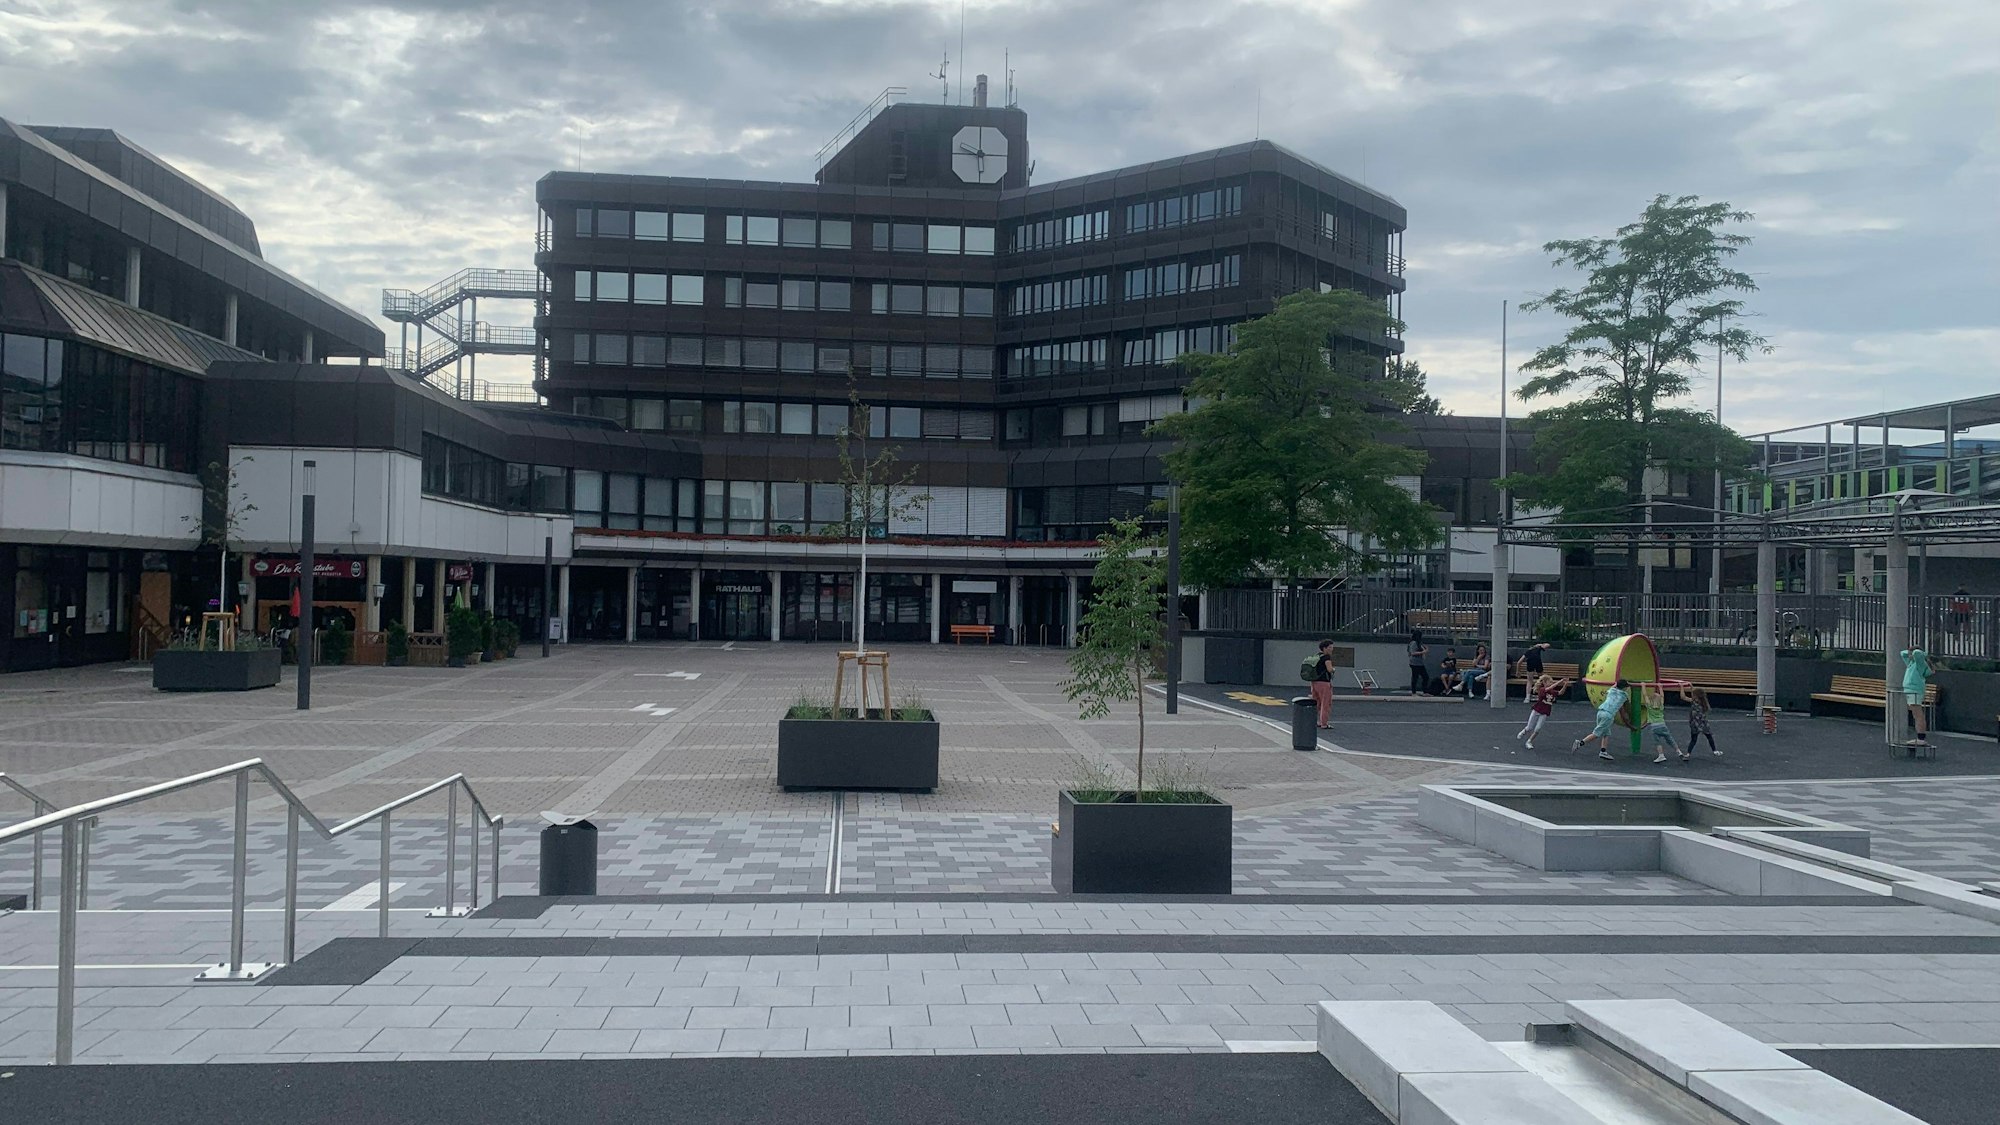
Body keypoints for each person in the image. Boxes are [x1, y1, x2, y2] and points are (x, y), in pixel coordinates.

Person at [1573, 679, 1631, 760]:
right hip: (1608, 715)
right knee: (1597, 733)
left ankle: (1603, 751)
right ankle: (1580, 743)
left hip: (1600, 712)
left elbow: (1614, 686)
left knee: (1606, 733)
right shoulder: (1624, 695)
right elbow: (1626, 707)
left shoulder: (1611, 691)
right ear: (1625, 688)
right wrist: (1627, 716)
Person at [1515, 673, 1570, 749]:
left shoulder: (1552, 692)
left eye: (1552, 682)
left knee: (1538, 728)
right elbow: (1549, 688)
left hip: (1544, 712)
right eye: (1549, 682)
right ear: (1544, 683)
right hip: (1537, 710)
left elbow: (1560, 693)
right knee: (1529, 727)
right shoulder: (1542, 690)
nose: (1551, 684)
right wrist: (1560, 681)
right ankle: (1524, 731)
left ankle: (1529, 741)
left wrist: (1565, 685)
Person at [1641, 685, 1687, 764]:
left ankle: (1661, 755)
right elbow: (1662, 696)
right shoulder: (1661, 706)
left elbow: (1645, 695)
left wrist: (1643, 686)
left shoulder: (1649, 706)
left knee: (1658, 741)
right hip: (1662, 725)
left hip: (1654, 727)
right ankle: (1679, 752)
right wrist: (1660, 687)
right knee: (1670, 739)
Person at [1901, 645, 1933, 751]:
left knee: (1918, 714)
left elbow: (1917, 654)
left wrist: (1919, 652)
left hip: (1915, 690)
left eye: (1911, 653)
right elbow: (1902, 653)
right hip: (1910, 690)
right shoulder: (1911, 663)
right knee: (1916, 714)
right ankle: (1920, 737)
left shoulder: (1920, 663)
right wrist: (1910, 652)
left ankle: (1921, 738)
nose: (1909, 655)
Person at [1681, 684, 1722, 757]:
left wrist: (1681, 687)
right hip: (1703, 722)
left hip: (1695, 723)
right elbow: (1694, 695)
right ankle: (1715, 751)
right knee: (1709, 736)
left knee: (1693, 739)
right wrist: (1691, 688)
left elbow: (1683, 697)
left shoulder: (1694, 701)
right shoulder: (1703, 702)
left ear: (1696, 696)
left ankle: (1688, 753)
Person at [1310, 639, 1337, 729]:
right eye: (1330, 647)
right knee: (1325, 703)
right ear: (1324, 648)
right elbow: (1329, 669)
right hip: (1324, 683)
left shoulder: (1316, 656)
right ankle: (1324, 723)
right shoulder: (1326, 657)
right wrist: (1333, 669)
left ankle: (1313, 721)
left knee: (1316, 703)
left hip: (1314, 682)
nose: (1331, 649)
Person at [1406, 629, 1431, 696]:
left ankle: (1425, 691)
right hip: (1414, 663)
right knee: (1415, 677)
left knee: (1425, 677)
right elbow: (1413, 653)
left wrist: (1424, 650)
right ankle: (1413, 692)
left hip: (1419, 663)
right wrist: (1423, 652)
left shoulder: (1419, 643)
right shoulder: (1414, 643)